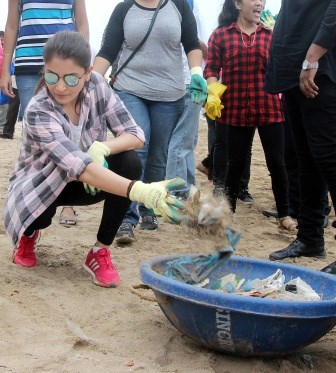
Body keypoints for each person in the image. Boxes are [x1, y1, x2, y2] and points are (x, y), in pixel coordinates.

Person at [3, 31, 185, 288]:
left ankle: (99, 251)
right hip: (41, 185)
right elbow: (77, 165)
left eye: (71, 78)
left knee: (129, 163)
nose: (60, 86)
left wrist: (102, 147)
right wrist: (141, 192)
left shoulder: (98, 85)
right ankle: (30, 234)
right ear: (44, 69)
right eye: (52, 76)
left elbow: (135, 134)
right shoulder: (38, 109)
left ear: (87, 73)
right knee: (38, 217)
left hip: (85, 181)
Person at [93, 0, 206, 243]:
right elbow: (108, 50)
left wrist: (197, 73)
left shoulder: (179, 6)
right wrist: (92, 79)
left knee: (159, 155)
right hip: (130, 89)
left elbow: (192, 44)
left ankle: (149, 209)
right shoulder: (124, 9)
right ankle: (127, 216)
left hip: (170, 94)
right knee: (137, 147)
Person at [204, 0, 296, 232]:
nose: (259, 3)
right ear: (237, 3)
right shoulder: (221, 35)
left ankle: (284, 214)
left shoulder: (270, 34)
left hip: (269, 107)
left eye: (262, 0)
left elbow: (282, 65)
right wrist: (212, 91)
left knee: (277, 163)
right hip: (234, 109)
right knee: (234, 164)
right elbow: (212, 68)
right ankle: (228, 214)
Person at [0, 0, 89, 225]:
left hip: (67, 64)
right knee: (37, 135)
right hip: (29, 64)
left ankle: (67, 202)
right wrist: (4, 71)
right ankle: (32, 197)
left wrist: (82, 68)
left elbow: (82, 23)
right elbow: (12, 25)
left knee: (68, 132)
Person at [265, 0, 336, 266]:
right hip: (294, 69)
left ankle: (312, 237)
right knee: (304, 157)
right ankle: (310, 238)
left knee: (329, 158)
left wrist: (313, 57)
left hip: (318, 68)